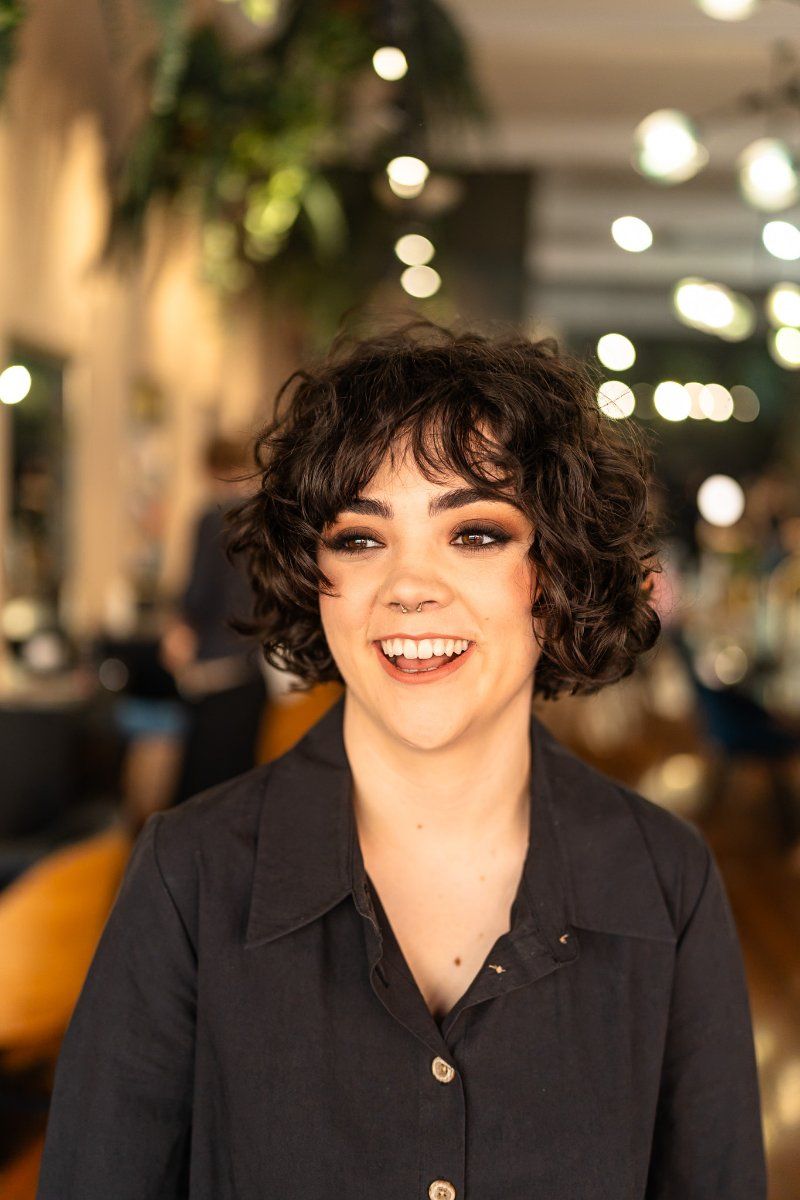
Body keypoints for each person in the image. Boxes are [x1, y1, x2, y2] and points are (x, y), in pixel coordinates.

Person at [36, 318, 767, 1199]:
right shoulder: (190, 877)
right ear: (315, 575)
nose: (410, 585)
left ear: (558, 571)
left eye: (475, 534)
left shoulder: (664, 882)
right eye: (359, 537)